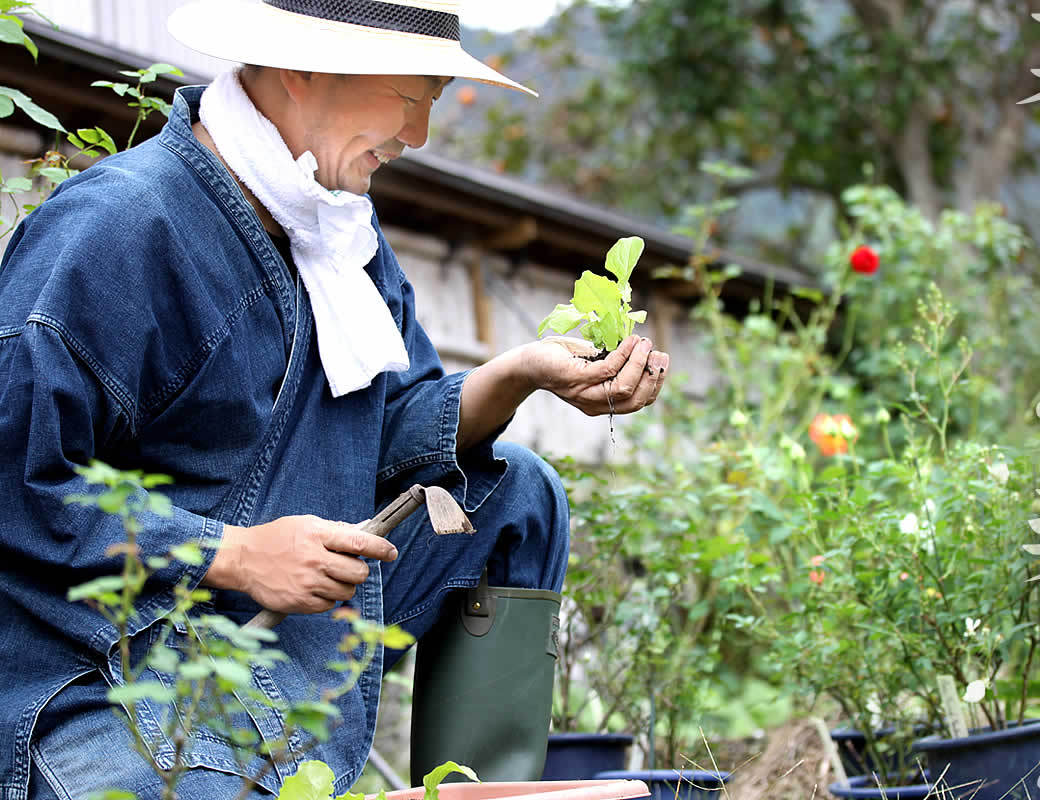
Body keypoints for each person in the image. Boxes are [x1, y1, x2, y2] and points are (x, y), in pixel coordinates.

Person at [0, 2, 669, 798]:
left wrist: (518, 375)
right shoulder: (119, 224)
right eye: (410, 96)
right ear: (301, 67)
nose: (417, 136)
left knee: (518, 492)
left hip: (287, 629)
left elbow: (380, 437)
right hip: (108, 674)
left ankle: (474, 786)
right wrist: (235, 554)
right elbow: (16, 481)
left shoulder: (339, 232)